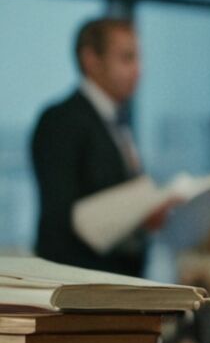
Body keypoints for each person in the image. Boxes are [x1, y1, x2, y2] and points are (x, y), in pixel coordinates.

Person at [30, 17, 169, 277]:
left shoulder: (116, 123)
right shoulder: (62, 120)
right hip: (81, 290)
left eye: (138, 59)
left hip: (119, 283)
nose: (138, 70)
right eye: (127, 59)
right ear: (91, 60)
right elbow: (60, 221)